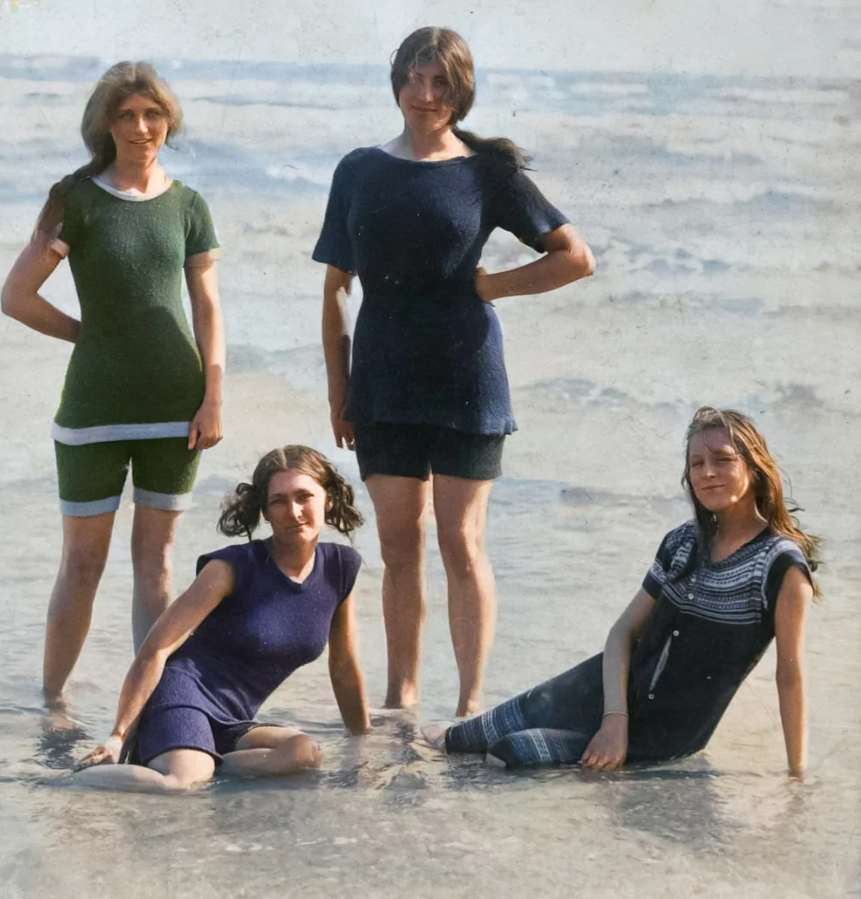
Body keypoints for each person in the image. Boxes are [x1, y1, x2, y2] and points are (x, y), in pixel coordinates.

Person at [313, 27, 596, 717]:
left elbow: (574, 257)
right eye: (414, 78)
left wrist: (494, 285)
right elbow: (336, 289)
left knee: (460, 543)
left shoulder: (486, 173)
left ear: (461, 91)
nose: (425, 94)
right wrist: (339, 389)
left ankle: (470, 705)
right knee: (397, 545)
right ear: (397, 82)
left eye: (440, 82)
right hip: (381, 380)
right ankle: (401, 699)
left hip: (466, 378)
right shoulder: (358, 169)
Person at [425, 407, 818, 777]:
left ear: (754, 466)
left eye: (723, 459)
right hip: (596, 692)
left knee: (508, 754)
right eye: (697, 464)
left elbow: (790, 675)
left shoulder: (780, 565)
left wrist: (796, 778)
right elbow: (622, 633)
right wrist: (614, 719)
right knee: (460, 740)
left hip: (661, 736)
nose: (708, 472)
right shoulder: (682, 542)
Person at [1, 62, 225, 708]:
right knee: (81, 564)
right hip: (92, 409)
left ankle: (153, 706)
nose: (140, 127)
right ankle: (52, 704)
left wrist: (214, 395)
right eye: (125, 115)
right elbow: (16, 296)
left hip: (176, 407)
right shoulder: (77, 199)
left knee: (157, 564)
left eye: (152, 114)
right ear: (104, 124)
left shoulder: (188, 205)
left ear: (168, 121)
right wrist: (88, 335)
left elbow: (208, 308)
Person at [72, 446, 370, 791]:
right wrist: (118, 736)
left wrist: (362, 743)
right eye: (278, 501)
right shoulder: (232, 567)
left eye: (304, 496)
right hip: (182, 696)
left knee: (303, 753)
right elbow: (156, 648)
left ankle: (203, 760)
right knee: (180, 783)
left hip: (233, 720)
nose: (293, 511)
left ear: (328, 499)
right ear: (264, 512)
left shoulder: (340, 568)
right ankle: (58, 780)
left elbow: (344, 667)